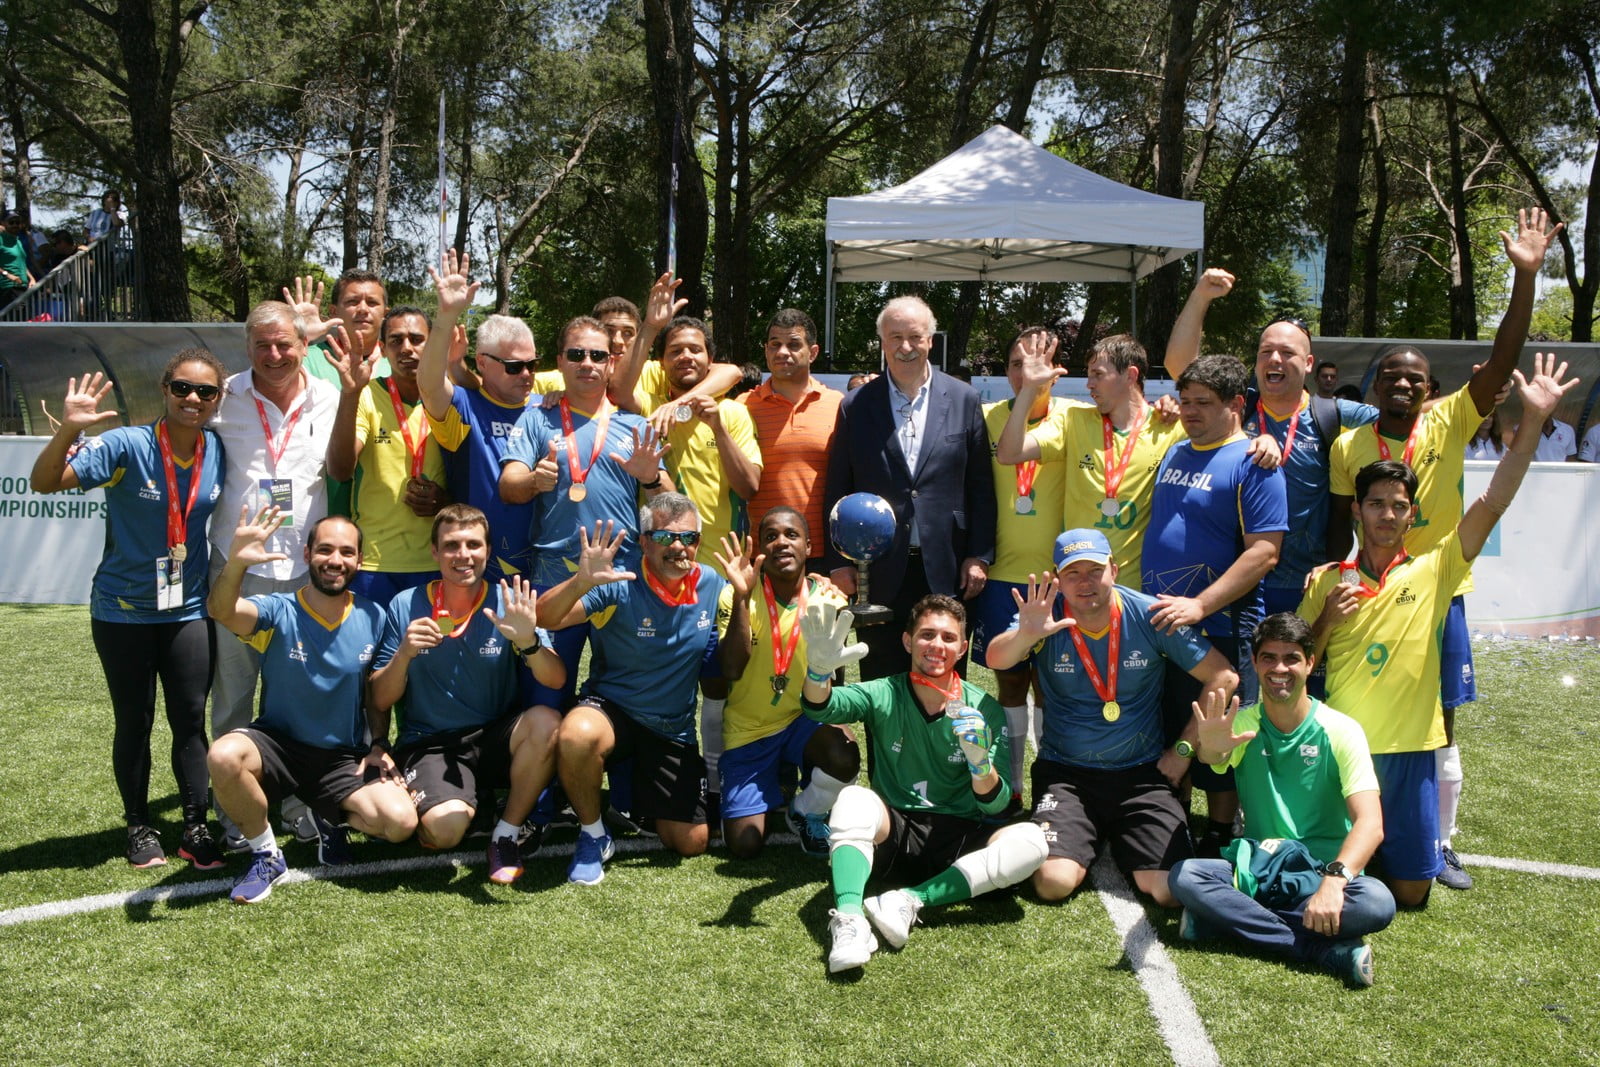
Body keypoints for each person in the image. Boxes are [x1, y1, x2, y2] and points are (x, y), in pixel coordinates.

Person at [1326, 207, 1560, 890]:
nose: (1403, 382)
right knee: (1361, 712)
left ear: (1430, 388)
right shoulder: (1349, 446)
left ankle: (1442, 840)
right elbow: (1345, 528)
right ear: (1374, 388)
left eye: (1415, 376)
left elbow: (1505, 359)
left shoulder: (1454, 416)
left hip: (1439, 589)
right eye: (1391, 374)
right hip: (1374, 596)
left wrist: (1526, 278)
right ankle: (1350, 823)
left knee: (1442, 720)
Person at [1302, 352, 1576, 908]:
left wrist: (1530, 423)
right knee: (1329, 877)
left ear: (1412, 515)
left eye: (1397, 506)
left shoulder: (1437, 569)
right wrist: (1329, 615)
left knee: (1410, 895)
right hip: (1345, 751)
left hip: (1407, 755)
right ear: (1357, 510)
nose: (1385, 514)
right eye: (1375, 504)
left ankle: (1400, 849)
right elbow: (1302, 664)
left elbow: (1495, 498)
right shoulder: (1328, 580)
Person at [30, 352, 229, 868]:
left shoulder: (219, 451)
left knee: (189, 719)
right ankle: (139, 826)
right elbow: (45, 483)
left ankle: (194, 826)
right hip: (122, 611)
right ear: (165, 390)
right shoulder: (126, 445)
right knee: (134, 720)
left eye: (205, 392)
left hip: (187, 608)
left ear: (217, 401)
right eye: (183, 388)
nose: (193, 399)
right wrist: (67, 431)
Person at [986, 530, 1240, 906]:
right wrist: (1025, 635)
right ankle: (1075, 833)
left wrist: (1183, 751)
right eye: (1073, 574)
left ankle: (1118, 836)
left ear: (1115, 571)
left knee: (1168, 891)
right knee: (1052, 883)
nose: (1085, 582)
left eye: (1095, 570)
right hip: (1066, 773)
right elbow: (996, 659)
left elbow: (1224, 677)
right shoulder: (1045, 615)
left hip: (1141, 774)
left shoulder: (1149, 614)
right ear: (1057, 579)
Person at [799, 595, 1048, 973]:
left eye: (948, 638)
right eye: (927, 635)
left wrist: (980, 765)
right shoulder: (884, 692)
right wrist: (818, 673)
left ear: (963, 648)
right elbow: (820, 707)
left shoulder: (984, 709)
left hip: (960, 841)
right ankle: (849, 921)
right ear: (907, 641)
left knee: (1032, 842)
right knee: (851, 798)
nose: (937, 646)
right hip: (896, 834)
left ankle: (910, 900)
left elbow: (995, 807)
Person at [1170, 613, 1395, 987]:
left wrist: (1334, 882)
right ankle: (1318, 949)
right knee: (1187, 876)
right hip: (1261, 868)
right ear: (1255, 663)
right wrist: (1209, 748)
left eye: (1291, 658)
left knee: (1377, 902)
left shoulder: (1341, 730)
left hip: (1322, 873)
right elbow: (1216, 757)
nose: (1280, 668)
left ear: (1310, 662)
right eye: (1268, 658)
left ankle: (1226, 919)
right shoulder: (1242, 724)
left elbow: (1370, 824)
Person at [207, 510, 419, 903]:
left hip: (341, 757)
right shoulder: (278, 609)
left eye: (345, 552)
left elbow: (375, 694)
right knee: (223, 756)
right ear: (307, 555)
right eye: (324, 550)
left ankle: (329, 814)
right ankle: (266, 854)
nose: (335, 560)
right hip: (278, 745)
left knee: (401, 823)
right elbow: (221, 611)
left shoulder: (374, 615)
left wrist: (377, 744)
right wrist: (236, 562)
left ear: (358, 560)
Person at [367, 505, 566, 884]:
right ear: (435, 552)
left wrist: (527, 642)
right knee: (446, 831)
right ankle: (450, 804)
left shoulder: (509, 600)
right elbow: (379, 698)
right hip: (430, 743)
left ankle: (505, 833)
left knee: (548, 723)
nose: (463, 555)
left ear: (488, 551)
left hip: (493, 736)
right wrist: (404, 654)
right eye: (452, 545)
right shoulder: (406, 604)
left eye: (473, 545)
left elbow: (555, 679)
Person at [208, 301, 345, 849]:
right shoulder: (222, 398)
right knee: (234, 697)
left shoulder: (331, 398)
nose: (274, 354)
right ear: (247, 348)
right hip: (238, 569)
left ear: (303, 345)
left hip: (302, 574)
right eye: (262, 345)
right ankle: (233, 814)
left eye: (285, 343)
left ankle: (294, 802)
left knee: (295, 699)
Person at [536, 497, 729, 884]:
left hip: (672, 728)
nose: (679, 547)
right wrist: (580, 582)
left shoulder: (713, 585)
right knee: (576, 734)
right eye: (665, 536)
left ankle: (631, 801)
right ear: (644, 542)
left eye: (688, 538)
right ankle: (593, 834)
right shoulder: (619, 579)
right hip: (612, 711)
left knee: (691, 842)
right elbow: (545, 616)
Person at [1165, 274, 1377, 618]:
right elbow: (1182, 368)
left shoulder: (1333, 414)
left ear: (1308, 364)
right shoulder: (1235, 408)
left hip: (1306, 582)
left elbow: (1404, 417)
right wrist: (1201, 296)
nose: (1274, 359)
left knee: (1296, 670)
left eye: (1286, 352)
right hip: (1236, 579)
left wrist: (1481, 399)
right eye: (1266, 352)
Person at [1143, 354, 1288, 853]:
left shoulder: (1255, 461)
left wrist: (1201, 606)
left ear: (1237, 405)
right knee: (1171, 725)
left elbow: (1266, 552)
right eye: (1185, 401)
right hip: (1162, 619)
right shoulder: (1176, 450)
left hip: (1219, 620)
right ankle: (1173, 827)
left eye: (1204, 403)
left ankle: (1222, 835)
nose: (1190, 411)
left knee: (1219, 736)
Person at [499, 315, 673, 706]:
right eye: (577, 354)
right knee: (545, 694)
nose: (588, 363)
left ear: (611, 363)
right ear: (559, 361)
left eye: (598, 355)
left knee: (631, 696)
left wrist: (650, 479)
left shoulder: (634, 425)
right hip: (555, 575)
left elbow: (670, 506)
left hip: (622, 576)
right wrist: (532, 482)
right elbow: (509, 486)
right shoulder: (537, 416)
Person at [823, 295, 996, 680]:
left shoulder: (965, 399)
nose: (905, 347)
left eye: (915, 337)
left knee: (942, 677)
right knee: (882, 681)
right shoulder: (856, 406)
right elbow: (838, 484)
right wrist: (840, 562)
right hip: (878, 569)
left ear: (931, 341)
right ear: (882, 342)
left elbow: (980, 484)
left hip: (947, 566)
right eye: (895, 337)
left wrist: (980, 556)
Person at [996, 331, 1187, 595]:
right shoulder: (1075, 420)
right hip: (1077, 588)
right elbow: (1008, 453)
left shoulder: (1171, 427)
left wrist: (1265, 441)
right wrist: (1029, 389)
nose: (1089, 384)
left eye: (1098, 374)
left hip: (1135, 590)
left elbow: (1226, 438)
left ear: (1130, 375)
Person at [716, 508, 860, 857]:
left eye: (792, 535)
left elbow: (834, 687)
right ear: (759, 550)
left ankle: (805, 809)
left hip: (802, 721)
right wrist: (740, 597)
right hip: (749, 730)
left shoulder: (831, 601)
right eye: (771, 536)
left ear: (809, 547)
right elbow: (731, 669)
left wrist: (833, 722)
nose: (782, 542)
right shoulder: (736, 596)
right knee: (745, 845)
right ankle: (770, 781)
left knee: (843, 750)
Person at [419, 251, 562, 583]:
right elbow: (428, 383)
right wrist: (446, 316)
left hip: (546, 564)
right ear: (482, 362)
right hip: (479, 568)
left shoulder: (548, 407)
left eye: (532, 364)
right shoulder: (465, 406)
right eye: (514, 366)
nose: (526, 374)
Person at [973, 328, 1074, 778]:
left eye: (1036, 363)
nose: (1024, 372)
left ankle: (1053, 782)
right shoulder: (981, 416)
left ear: (1056, 371)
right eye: (1015, 363)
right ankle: (1013, 782)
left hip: (1059, 580)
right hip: (1001, 578)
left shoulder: (1080, 417)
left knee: (1054, 687)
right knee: (1010, 681)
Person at [327, 305, 449, 603]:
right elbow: (340, 471)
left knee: (429, 649)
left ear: (432, 343)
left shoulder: (451, 399)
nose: (407, 348)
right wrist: (350, 393)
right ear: (382, 349)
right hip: (373, 564)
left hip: (437, 561)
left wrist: (445, 501)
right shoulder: (366, 395)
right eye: (396, 340)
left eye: (417, 339)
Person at [739, 309, 843, 567]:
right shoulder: (743, 406)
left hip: (822, 553)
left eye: (794, 344)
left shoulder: (839, 406)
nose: (782, 352)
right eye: (775, 344)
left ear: (814, 352)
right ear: (766, 351)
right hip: (760, 552)